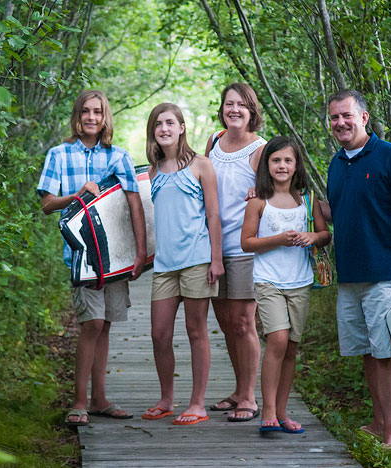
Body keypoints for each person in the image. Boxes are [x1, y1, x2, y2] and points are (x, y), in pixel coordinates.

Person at [36, 90, 147, 427]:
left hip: (116, 258)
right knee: (92, 323)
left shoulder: (119, 157)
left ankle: (99, 399)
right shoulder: (59, 154)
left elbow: (134, 204)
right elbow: (46, 203)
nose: (91, 118)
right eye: (85, 112)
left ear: (105, 117)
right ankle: (79, 401)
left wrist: (141, 252)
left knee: (106, 324)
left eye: (98, 112)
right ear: (77, 116)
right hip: (81, 257)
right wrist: (77, 194)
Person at [326, 89, 391, 449]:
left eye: (347, 116)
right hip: (349, 276)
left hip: (386, 273)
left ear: (364, 118)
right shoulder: (337, 163)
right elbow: (337, 212)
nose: (340, 123)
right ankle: (379, 421)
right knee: (367, 352)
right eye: (334, 117)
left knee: (387, 353)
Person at [241, 136, 331, 433]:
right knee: (277, 340)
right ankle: (266, 410)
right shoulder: (258, 201)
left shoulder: (306, 199)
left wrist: (313, 237)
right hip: (268, 281)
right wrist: (278, 240)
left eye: (288, 160)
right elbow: (247, 242)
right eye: (276, 160)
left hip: (301, 281)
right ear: (267, 165)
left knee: (291, 347)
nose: (282, 165)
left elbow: (324, 233)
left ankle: (281, 412)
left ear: (296, 165)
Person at [141, 103, 224, 425]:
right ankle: (166, 399)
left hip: (197, 261)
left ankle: (198, 403)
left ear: (181, 128)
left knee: (195, 331)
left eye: (169, 123)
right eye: (158, 124)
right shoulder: (152, 172)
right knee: (159, 334)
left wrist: (216, 259)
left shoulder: (201, 165)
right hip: (164, 265)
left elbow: (213, 215)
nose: (163, 128)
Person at [205, 82, 265, 422]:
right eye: (229, 104)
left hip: (245, 248)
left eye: (241, 105)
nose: (234, 110)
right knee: (226, 324)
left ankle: (250, 397)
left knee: (244, 322)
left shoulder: (260, 148)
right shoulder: (214, 140)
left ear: (251, 110)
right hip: (214, 247)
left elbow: (282, 188)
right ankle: (239, 389)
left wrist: (262, 193)